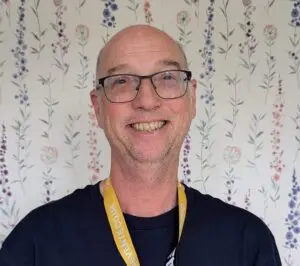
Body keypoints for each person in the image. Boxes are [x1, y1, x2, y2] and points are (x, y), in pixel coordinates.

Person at [0, 25, 281, 266]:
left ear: (192, 99)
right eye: (122, 81)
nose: (146, 100)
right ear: (98, 107)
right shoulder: (35, 243)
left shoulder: (248, 242)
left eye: (168, 78)